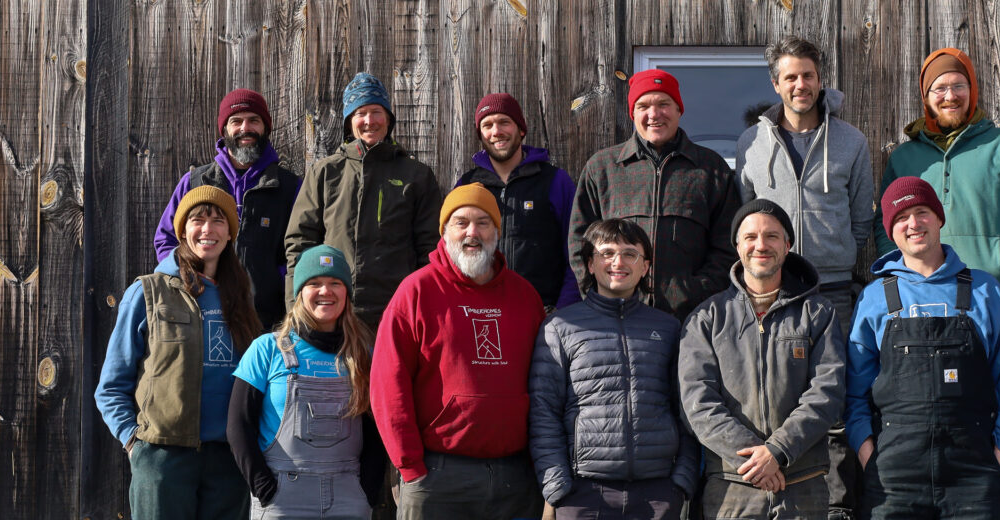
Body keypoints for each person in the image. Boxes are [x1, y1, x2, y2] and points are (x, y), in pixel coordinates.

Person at [735, 36, 875, 519]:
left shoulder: (852, 142)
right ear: (776, 83)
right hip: (775, 291)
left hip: (835, 291)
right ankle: (778, 502)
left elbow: (861, 219)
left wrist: (841, 256)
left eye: (808, 76)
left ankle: (835, 508)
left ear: (821, 80)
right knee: (778, 397)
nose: (800, 85)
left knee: (833, 404)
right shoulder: (751, 143)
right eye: (790, 77)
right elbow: (748, 216)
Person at [847, 177, 1000, 519]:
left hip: (974, 477)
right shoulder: (876, 297)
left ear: (939, 218)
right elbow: (854, 392)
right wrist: (867, 455)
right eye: (901, 217)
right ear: (890, 230)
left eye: (922, 212)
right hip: (893, 480)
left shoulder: (984, 291)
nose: (913, 223)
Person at [370, 183, 545, 519]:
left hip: (514, 478)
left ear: (497, 230)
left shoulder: (525, 297)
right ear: (444, 231)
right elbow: (387, 385)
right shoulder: (416, 291)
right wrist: (410, 466)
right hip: (438, 476)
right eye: (461, 222)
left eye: (483, 222)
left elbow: (544, 385)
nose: (472, 232)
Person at [96, 186, 262, 519]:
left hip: (228, 462)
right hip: (163, 460)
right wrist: (135, 444)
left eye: (218, 221)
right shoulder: (147, 292)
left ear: (230, 233)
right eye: (198, 219)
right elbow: (111, 386)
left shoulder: (242, 295)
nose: (207, 229)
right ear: (182, 229)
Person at [679, 199, 846, 519]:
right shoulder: (707, 318)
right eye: (751, 236)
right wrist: (755, 462)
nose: (761, 245)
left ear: (787, 245)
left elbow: (828, 392)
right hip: (732, 487)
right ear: (737, 246)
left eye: (771, 236)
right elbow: (697, 403)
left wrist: (778, 451)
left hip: (804, 484)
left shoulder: (818, 314)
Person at [528, 218, 698, 520]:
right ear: (590, 264)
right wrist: (557, 487)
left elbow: (686, 409)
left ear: (645, 266)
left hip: (658, 495)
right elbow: (543, 412)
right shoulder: (561, 327)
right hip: (582, 495)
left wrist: (681, 483)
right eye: (607, 253)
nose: (618, 262)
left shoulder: (670, 329)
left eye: (630, 254)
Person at [874, 47, 1000, 309]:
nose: (950, 96)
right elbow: (885, 223)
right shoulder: (903, 158)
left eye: (959, 85)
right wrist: (902, 273)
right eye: (940, 88)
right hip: (921, 302)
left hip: (990, 296)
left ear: (972, 89)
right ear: (926, 95)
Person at [228, 245, 389, 519]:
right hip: (282, 500)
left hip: (348, 499)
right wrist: (263, 487)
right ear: (299, 292)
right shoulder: (267, 349)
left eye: (334, 283)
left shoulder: (365, 354)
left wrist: (367, 490)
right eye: (314, 283)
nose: (325, 291)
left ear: (346, 293)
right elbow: (238, 425)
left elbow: (377, 430)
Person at [570, 69, 742, 320]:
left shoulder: (710, 169)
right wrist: (597, 295)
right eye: (643, 106)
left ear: (679, 110)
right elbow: (579, 242)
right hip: (617, 316)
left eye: (664, 104)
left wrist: (698, 293)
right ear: (633, 113)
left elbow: (729, 245)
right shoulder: (602, 168)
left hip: (691, 318)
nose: (654, 114)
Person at [284, 72, 442, 329]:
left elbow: (430, 249)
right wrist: (295, 307)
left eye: (377, 111)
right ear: (349, 122)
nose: (369, 121)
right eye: (360, 113)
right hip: (335, 315)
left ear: (388, 119)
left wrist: (422, 308)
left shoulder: (416, 175)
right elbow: (299, 244)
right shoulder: (324, 173)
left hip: (396, 314)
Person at [154, 88, 300, 330]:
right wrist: (188, 278)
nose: (245, 128)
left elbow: (301, 247)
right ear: (224, 129)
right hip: (201, 317)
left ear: (266, 128)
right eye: (236, 121)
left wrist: (275, 281)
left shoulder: (289, 186)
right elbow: (166, 239)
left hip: (267, 322)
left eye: (254, 120)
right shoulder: (195, 182)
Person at [455, 92, 580, 311]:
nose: (496, 132)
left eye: (504, 122)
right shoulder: (467, 185)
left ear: (521, 129)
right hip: (481, 313)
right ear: (481, 134)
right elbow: (452, 252)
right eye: (487, 125)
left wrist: (564, 311)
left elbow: (576, 250)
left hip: (543, 315)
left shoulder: (555, 181)